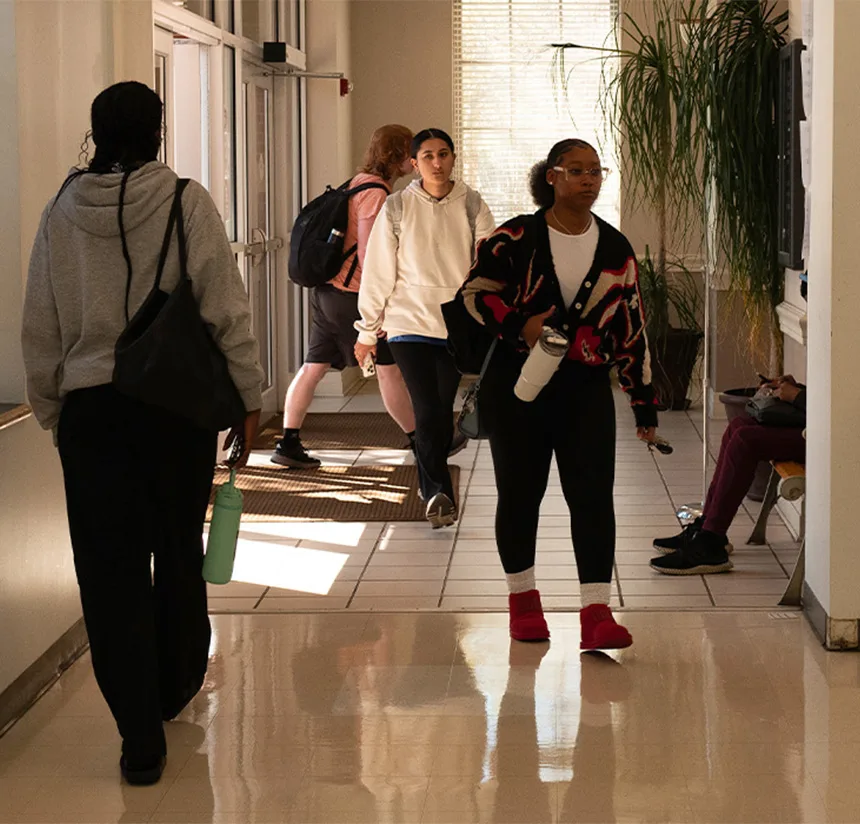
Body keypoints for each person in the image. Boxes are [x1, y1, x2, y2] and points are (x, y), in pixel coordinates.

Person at [21, 82, 264, 786]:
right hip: (175, 409)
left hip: (93, 413)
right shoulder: (187, 200)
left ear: (95, 132)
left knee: (108, 570)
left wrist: (53, 410)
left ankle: (138, 735)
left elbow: (42, 320)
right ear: (158, 131)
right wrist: (248, 396)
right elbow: (225, 305)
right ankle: (176, 683)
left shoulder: (60, 210)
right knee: (176, 553)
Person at [458, 138, 659, 648]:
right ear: (552, 176)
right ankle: (523, 602)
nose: (589, 180)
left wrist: (643, 401)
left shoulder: (615, 248)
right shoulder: (515, 237)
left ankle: (596, 612)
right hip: (518, 388)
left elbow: (632, 328)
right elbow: (473, 295)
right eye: (577, 171)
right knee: (521, 494)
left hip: (585, 390)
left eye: (596, 171)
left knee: (592, 497)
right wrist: (520, 327)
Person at [354, 128, 495, 528]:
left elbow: (489, 263)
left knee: (440, 406)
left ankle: (433, 480)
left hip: (453, 324)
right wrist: (367, 330)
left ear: (453, 158)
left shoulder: (472, 204)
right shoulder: (397, 206)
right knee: (428, 406)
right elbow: (379, 270)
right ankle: (437, 492)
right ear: (414, 163)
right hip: (407, 322)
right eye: (428, 156)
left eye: (444, 154)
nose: (437, 162)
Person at [271, 125, 418, 468]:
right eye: (410, 150)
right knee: (388, 369)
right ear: (396, 155)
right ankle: (420, 440)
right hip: (351, 297)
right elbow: (369, 255)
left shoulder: (356, 183)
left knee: (313, 367)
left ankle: (288, 442)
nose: (414, 158)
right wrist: (379, 304)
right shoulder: (376, 194)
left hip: (327, 292)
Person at [651, 375, 807, 574]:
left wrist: (797, 396)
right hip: (813, 426)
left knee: (745, 440)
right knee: (737, 425)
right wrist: (792, 388)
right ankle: (707, 526)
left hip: (829, 437)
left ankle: (711, 542)